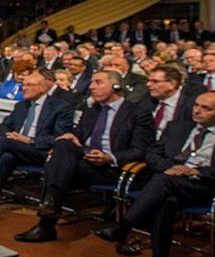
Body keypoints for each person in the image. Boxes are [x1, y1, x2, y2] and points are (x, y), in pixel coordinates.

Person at [94, 93, 215, 257]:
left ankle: (124, 227)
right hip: (170, 181)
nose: (197, 110)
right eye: (196, 105)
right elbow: (152, 153)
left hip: (207, 188)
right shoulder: (178, 127)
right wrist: (171, 168)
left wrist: (196, 171)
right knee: (166, 201)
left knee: (162, 183)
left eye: (206, 108)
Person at [15, 71, 154, 242]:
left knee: (60, 167)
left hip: (112, 167)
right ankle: (50, 207)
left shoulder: (137, 112)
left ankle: (47, 219)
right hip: (86, 157)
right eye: (91, 82)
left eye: (98, 82)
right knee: (63, 143)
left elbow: (140, 150)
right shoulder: (92, 109)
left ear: (116, 86)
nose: (91, 87)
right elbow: (79, 133)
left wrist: (110, 157)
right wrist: (72, 135)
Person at [0, 71, 74, 224]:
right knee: (5, 157)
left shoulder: (60, 107)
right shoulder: (21, 106)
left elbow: (60, 138)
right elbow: (3, 126)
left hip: (42, 152)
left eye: (29, 85)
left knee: (4, 144)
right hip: (14, 148)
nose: (24, 88)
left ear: (43, 88)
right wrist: (10, 135)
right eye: (23, 85)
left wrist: (29, 140)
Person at [139, 64, 195, 139]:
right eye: (148, 80)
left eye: (155, 81)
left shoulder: (189, 106)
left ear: (172, 84)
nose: (148, 84)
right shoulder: (146, 100)